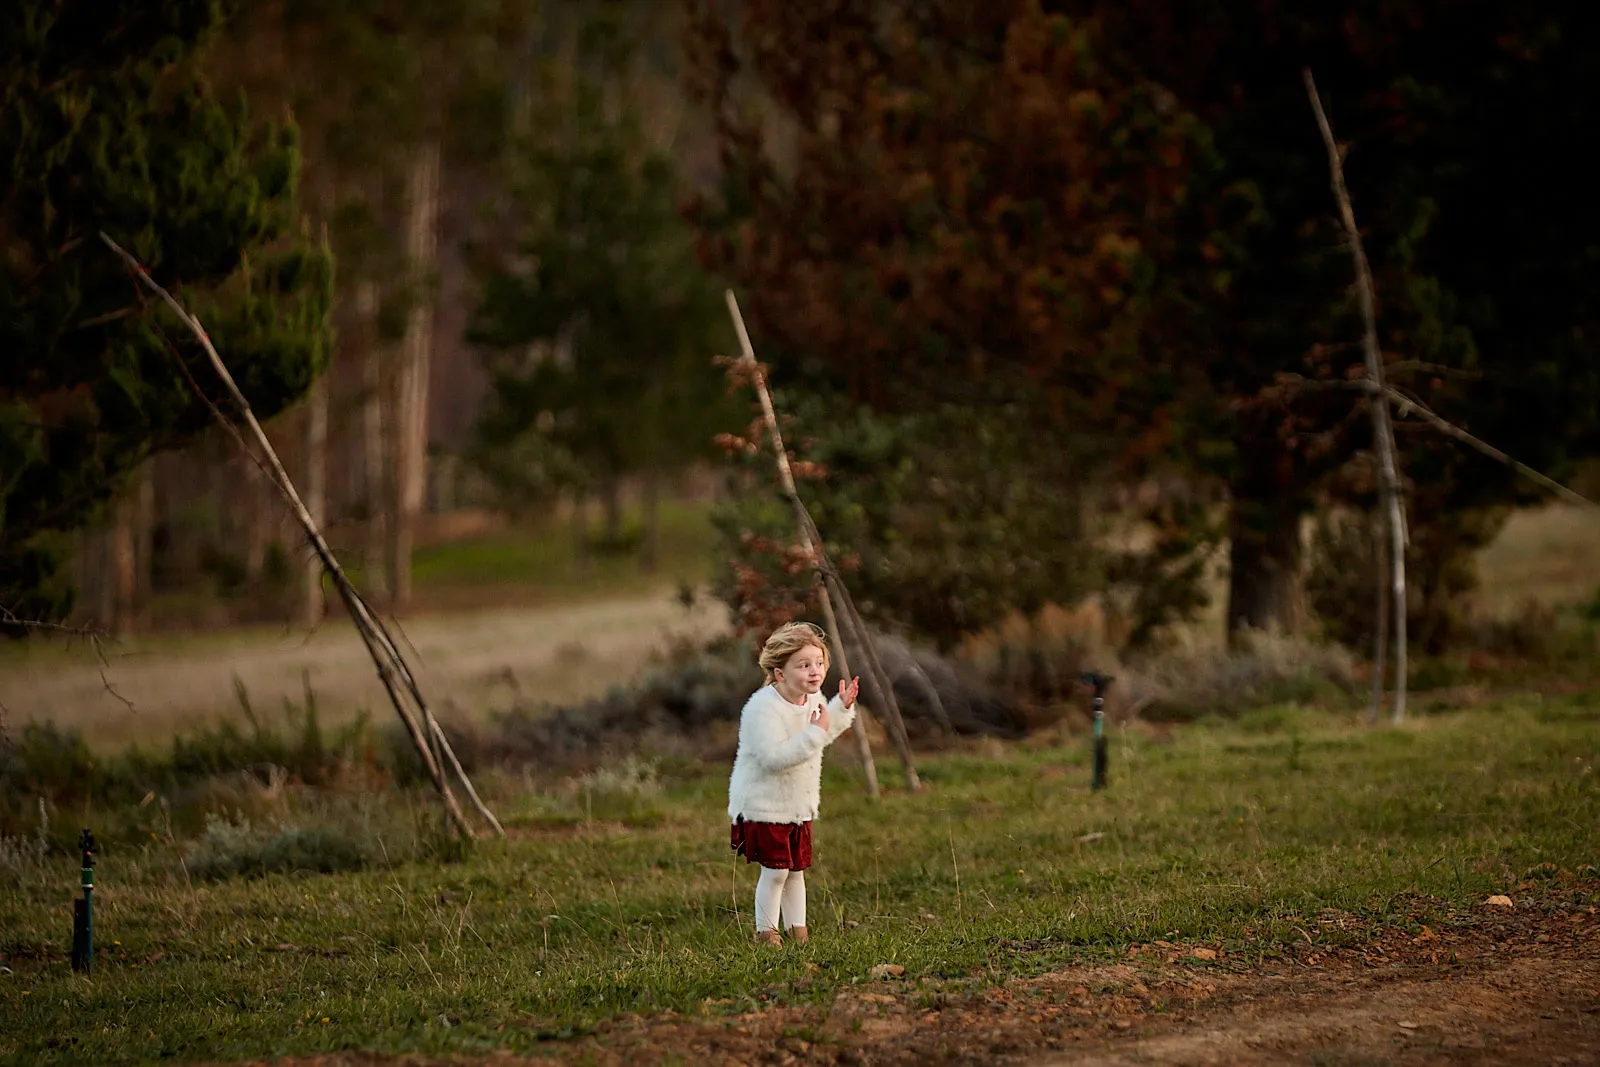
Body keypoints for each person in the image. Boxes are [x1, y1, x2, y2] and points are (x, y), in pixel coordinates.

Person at [728, 621, 860, 945]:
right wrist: (815, 733)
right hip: (765, 804)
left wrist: (840, 708)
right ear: (779, 673)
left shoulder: (813, 699)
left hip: (797, 803)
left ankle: (797, 930)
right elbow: (773, 758)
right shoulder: (762, 708)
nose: (815, 672)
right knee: (776, 871)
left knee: (796, 869)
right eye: (803, 665)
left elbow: (821, 733)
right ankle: (766, 933)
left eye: (819, 663)